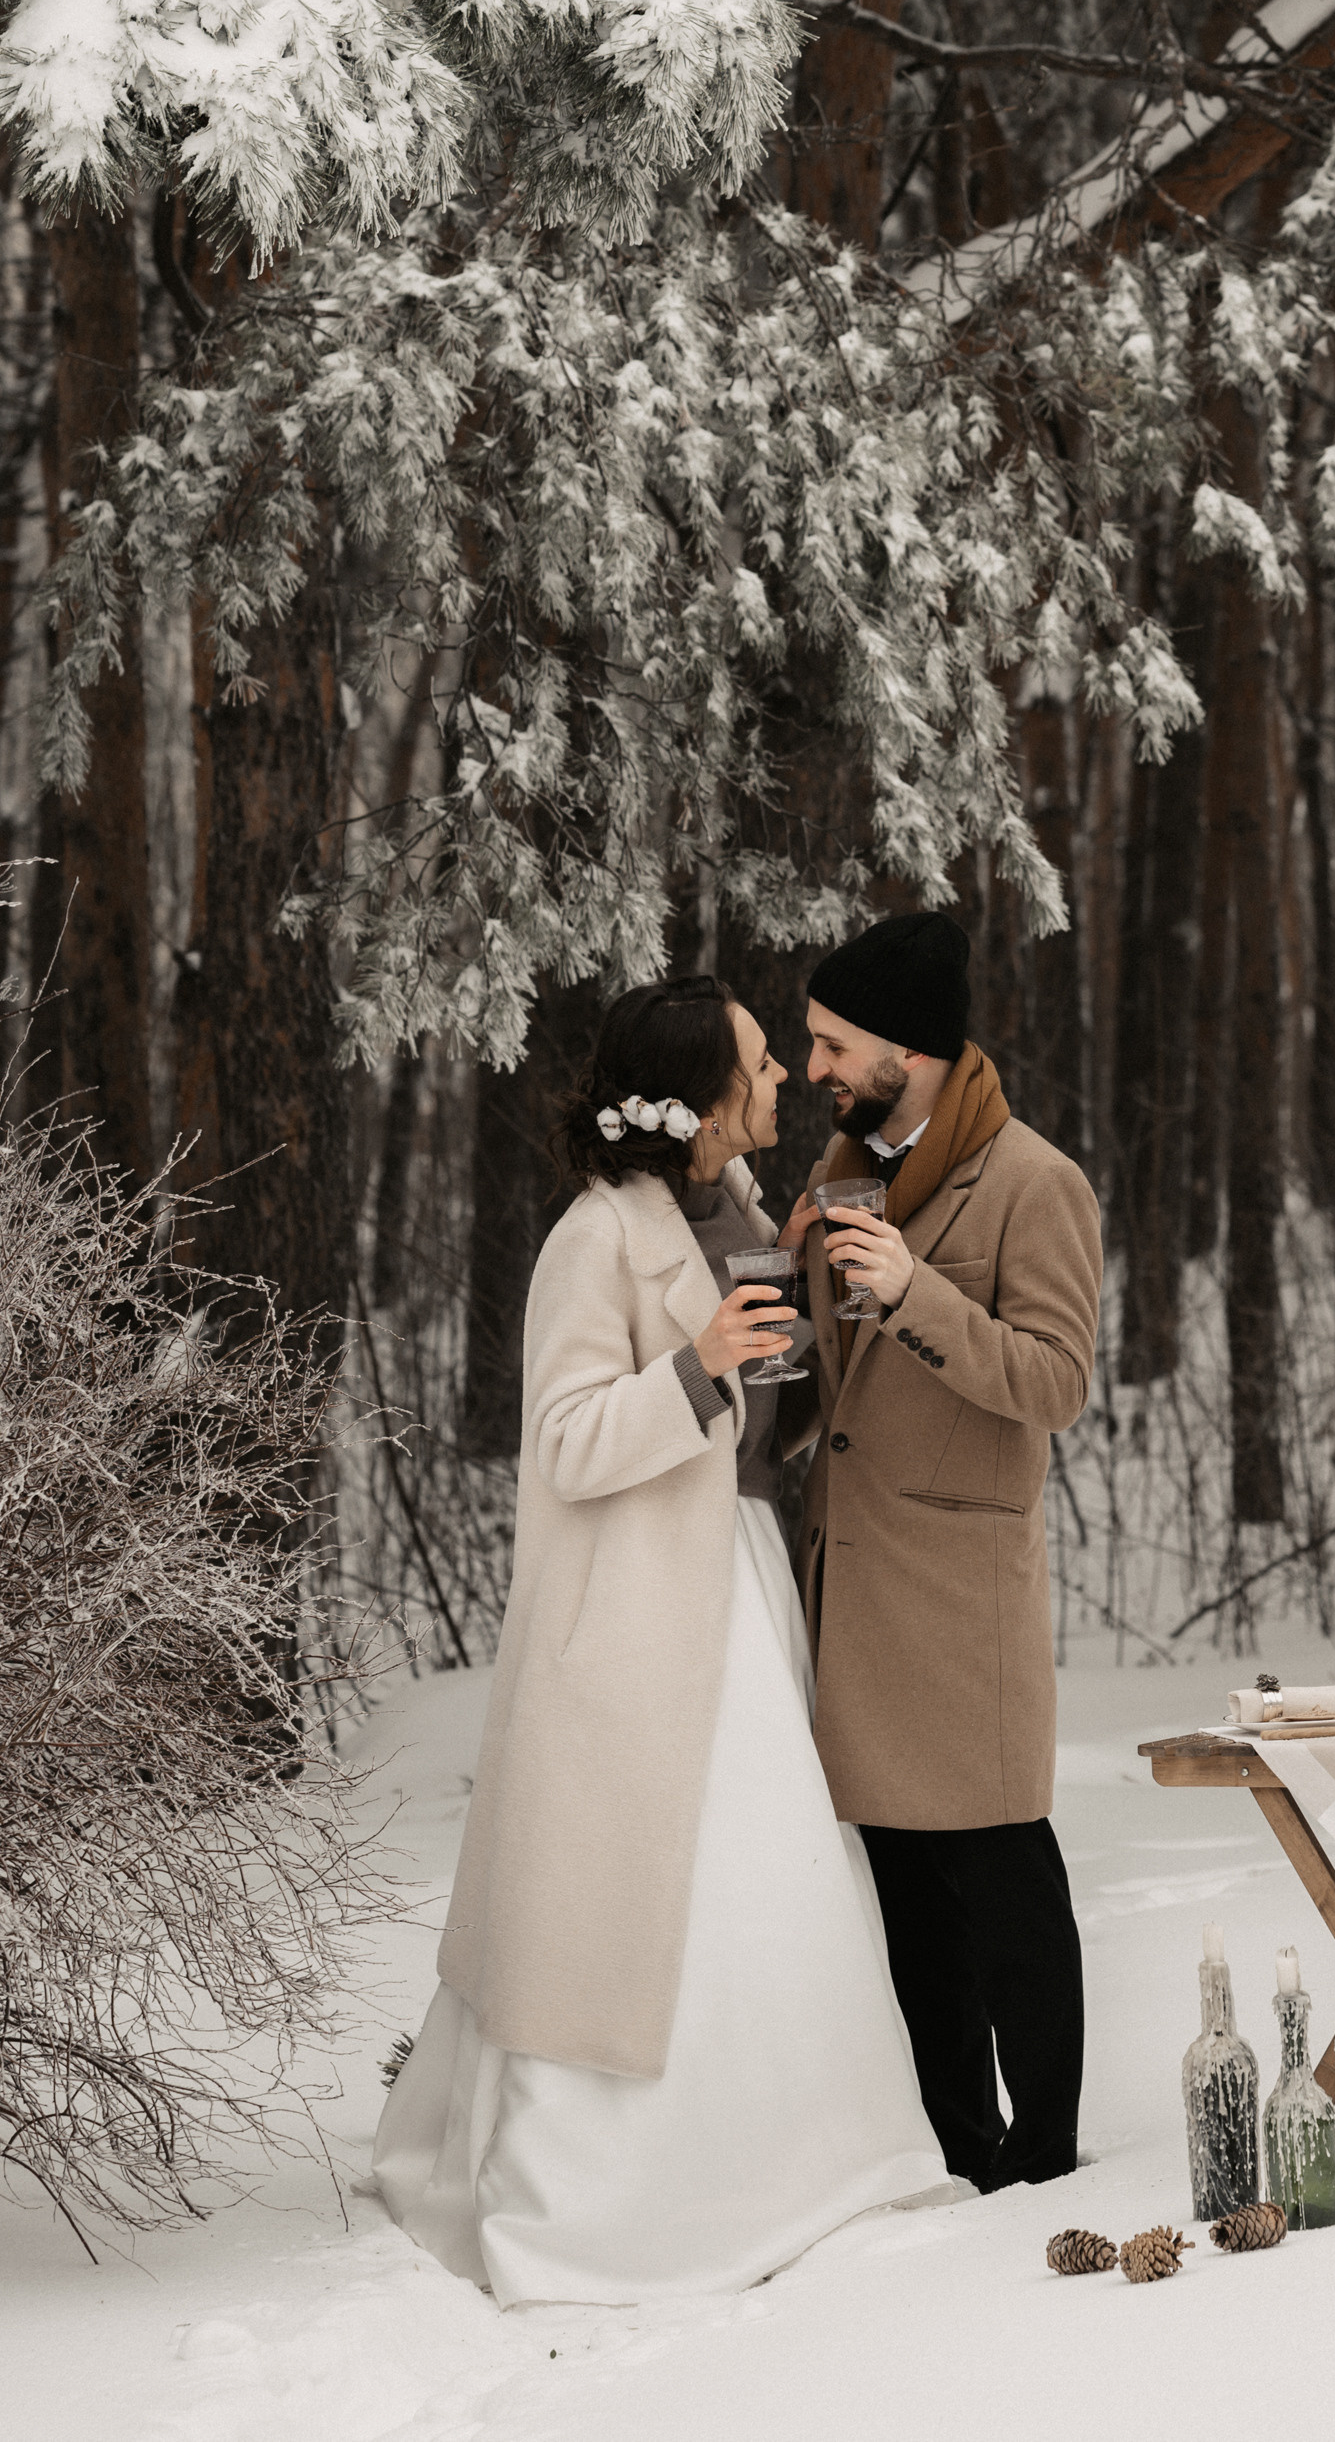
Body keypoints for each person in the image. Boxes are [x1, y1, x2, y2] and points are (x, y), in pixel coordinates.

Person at [374, 975, 949, 2303]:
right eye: (757, 1062)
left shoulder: (742, 1211)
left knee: (776, 1871)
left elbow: (754, 1423)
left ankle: (817, 2167)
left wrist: (796, 1324)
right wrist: (694, 1366)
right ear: (694, 1096)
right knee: (641, 1893)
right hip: (634, 1618)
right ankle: (609, 2202)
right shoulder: (592, 1238)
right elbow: (569, 1442)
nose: (781, 1081)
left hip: (739, 1587)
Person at [786, 910, 1102, 2192]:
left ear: (902, 1051)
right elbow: (842, 1381)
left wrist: (919, 1290)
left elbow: (1057, 1381)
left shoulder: (1036, 1180)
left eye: (828, 1041)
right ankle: (962, 2151)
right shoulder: (840, 1167)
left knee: (1001, 1869)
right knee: (907, 1883)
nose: (812, 1066)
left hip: (963, 1588)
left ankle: (1048, 2151)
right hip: (856, 1574)